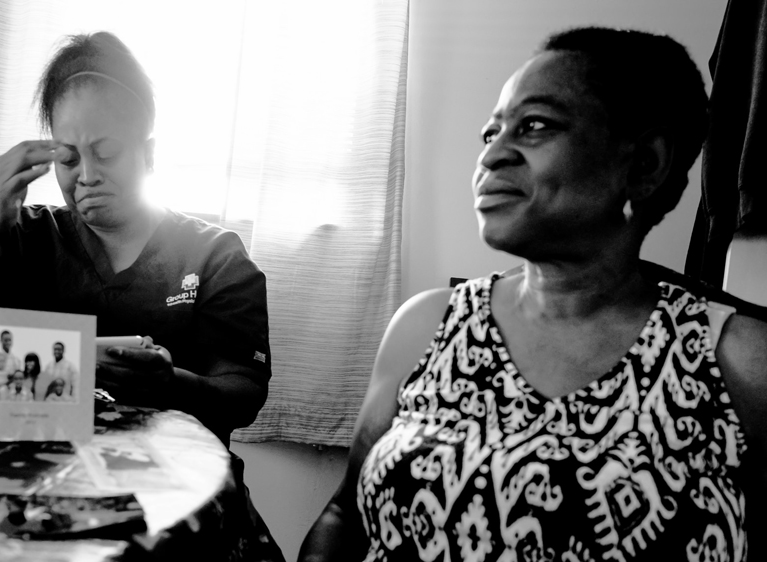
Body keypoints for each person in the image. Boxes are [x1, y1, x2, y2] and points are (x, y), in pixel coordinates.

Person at [299, 27, 767, 562]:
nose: (493, 155)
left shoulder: (738, 363)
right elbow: (344, 515)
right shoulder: (428, 325)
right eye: (491, 133)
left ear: (645, 164)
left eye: (535, 126)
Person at [0, 32, 280, 559]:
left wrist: (174, 385)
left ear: (148, 154)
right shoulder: (22, 238)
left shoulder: (212, 255)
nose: (87, 177)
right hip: (33, 488)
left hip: (172, 491)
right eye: (69, 159)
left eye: (106, 153)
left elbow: (243, 391)